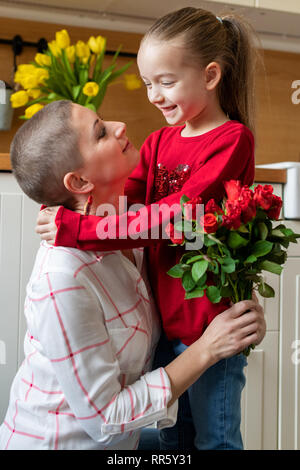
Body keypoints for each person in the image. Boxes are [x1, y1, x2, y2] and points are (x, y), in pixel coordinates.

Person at [35, 7, 265, 450]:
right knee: (170, 437)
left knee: (216, 441)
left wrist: (76, 229)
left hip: (209, 323)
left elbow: (173, 217)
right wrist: (68, 208)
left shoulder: (232, 140)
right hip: (164, 324)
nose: (154, 96)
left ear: (211, 76)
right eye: (147, 84)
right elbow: (124, 204)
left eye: (166, 82)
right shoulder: (161, 140)